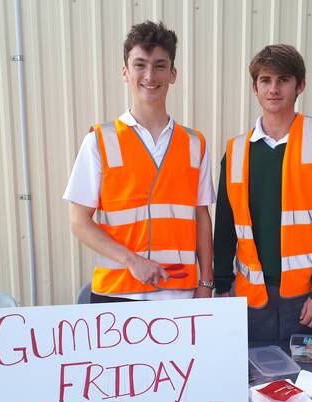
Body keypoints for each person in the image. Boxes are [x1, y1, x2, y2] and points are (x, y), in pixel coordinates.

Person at [64, 21, 215, 304]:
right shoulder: (99, 141)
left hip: (180, 293)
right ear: (125, 72)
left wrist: (207, 281)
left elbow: (201, 218)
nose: (149, 75)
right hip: (117, 294)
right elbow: (78, 222)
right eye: (139, 65)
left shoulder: (195, 143)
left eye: (159, 65)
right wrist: (131, 260)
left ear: (173, 74)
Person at [214, 44, 312, 341]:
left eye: (283, 80)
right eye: (266, 80)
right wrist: (222, 283)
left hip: (307, 301)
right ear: (255, 87)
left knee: (311, 384)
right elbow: (225, 227)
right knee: (253, 384)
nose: (274, 89)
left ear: (299, 85)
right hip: (250, 300)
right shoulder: (235, 151)